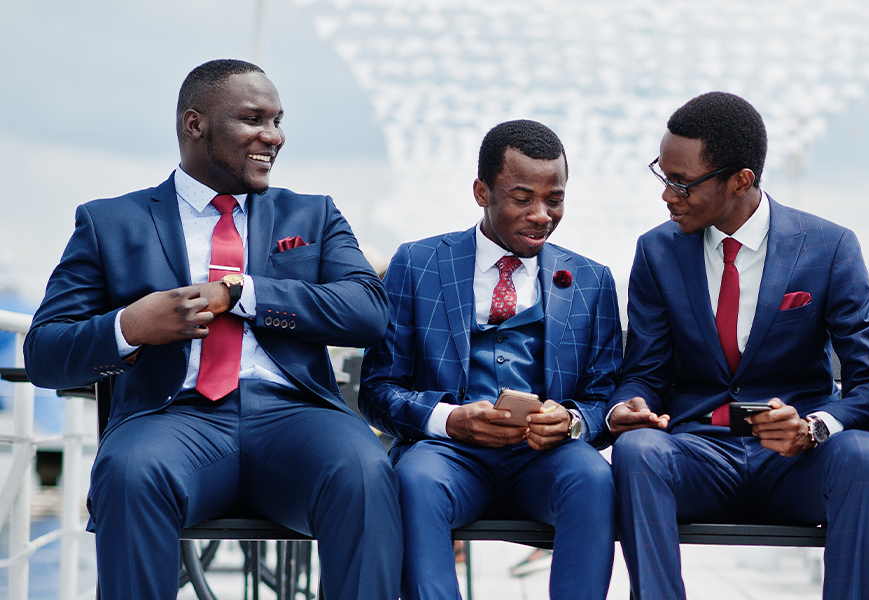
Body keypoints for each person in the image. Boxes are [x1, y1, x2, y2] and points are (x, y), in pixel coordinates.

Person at [22, 59, 403, 599]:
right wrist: (131, 325)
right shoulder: (110, 222)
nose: (273, 136)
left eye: (277, 121)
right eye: (254, 119)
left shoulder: (313, 216)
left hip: (297, 418)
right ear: (194, 124)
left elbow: (368, 312)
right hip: (172, 419)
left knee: (366, 471)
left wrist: (244, 293)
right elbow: (43, 353)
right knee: (128, 473)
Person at [608, 91, 869, 600]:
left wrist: (813, 428)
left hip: (796, 461)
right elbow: (644, 372)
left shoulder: (830, 248)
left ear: (741, 180)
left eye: (682, 183)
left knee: (863, 456)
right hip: (697, 455)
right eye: (662, 176)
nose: (667, 195)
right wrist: (634, 406)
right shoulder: (656, 251)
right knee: (636, 449)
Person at [359, 119, 620, 600]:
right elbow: (377, 391)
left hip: (547, 460)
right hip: (447, 457)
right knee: (414, 479)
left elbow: (606, 397)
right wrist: (451, 420)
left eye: (555, 199)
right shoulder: (415, 265)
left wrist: (572, 421)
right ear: (482, 192)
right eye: (523, 198)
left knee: (593, 477)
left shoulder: (591, 280)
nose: (542, 214)